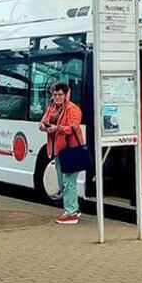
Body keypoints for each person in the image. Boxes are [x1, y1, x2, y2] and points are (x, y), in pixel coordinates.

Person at [38, 81, 83, 225]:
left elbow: (73, 128)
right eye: (55, 94)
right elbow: (43, 121)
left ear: (66, 95)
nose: (57, 97)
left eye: (60, 94)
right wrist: (43, 127)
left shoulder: (72, 109)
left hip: (72, 148)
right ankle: (73, 209)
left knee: (69, 181)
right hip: (58, 150)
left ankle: (71, 213)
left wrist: (57, 128)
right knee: (62, 182)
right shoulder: (51, 107)